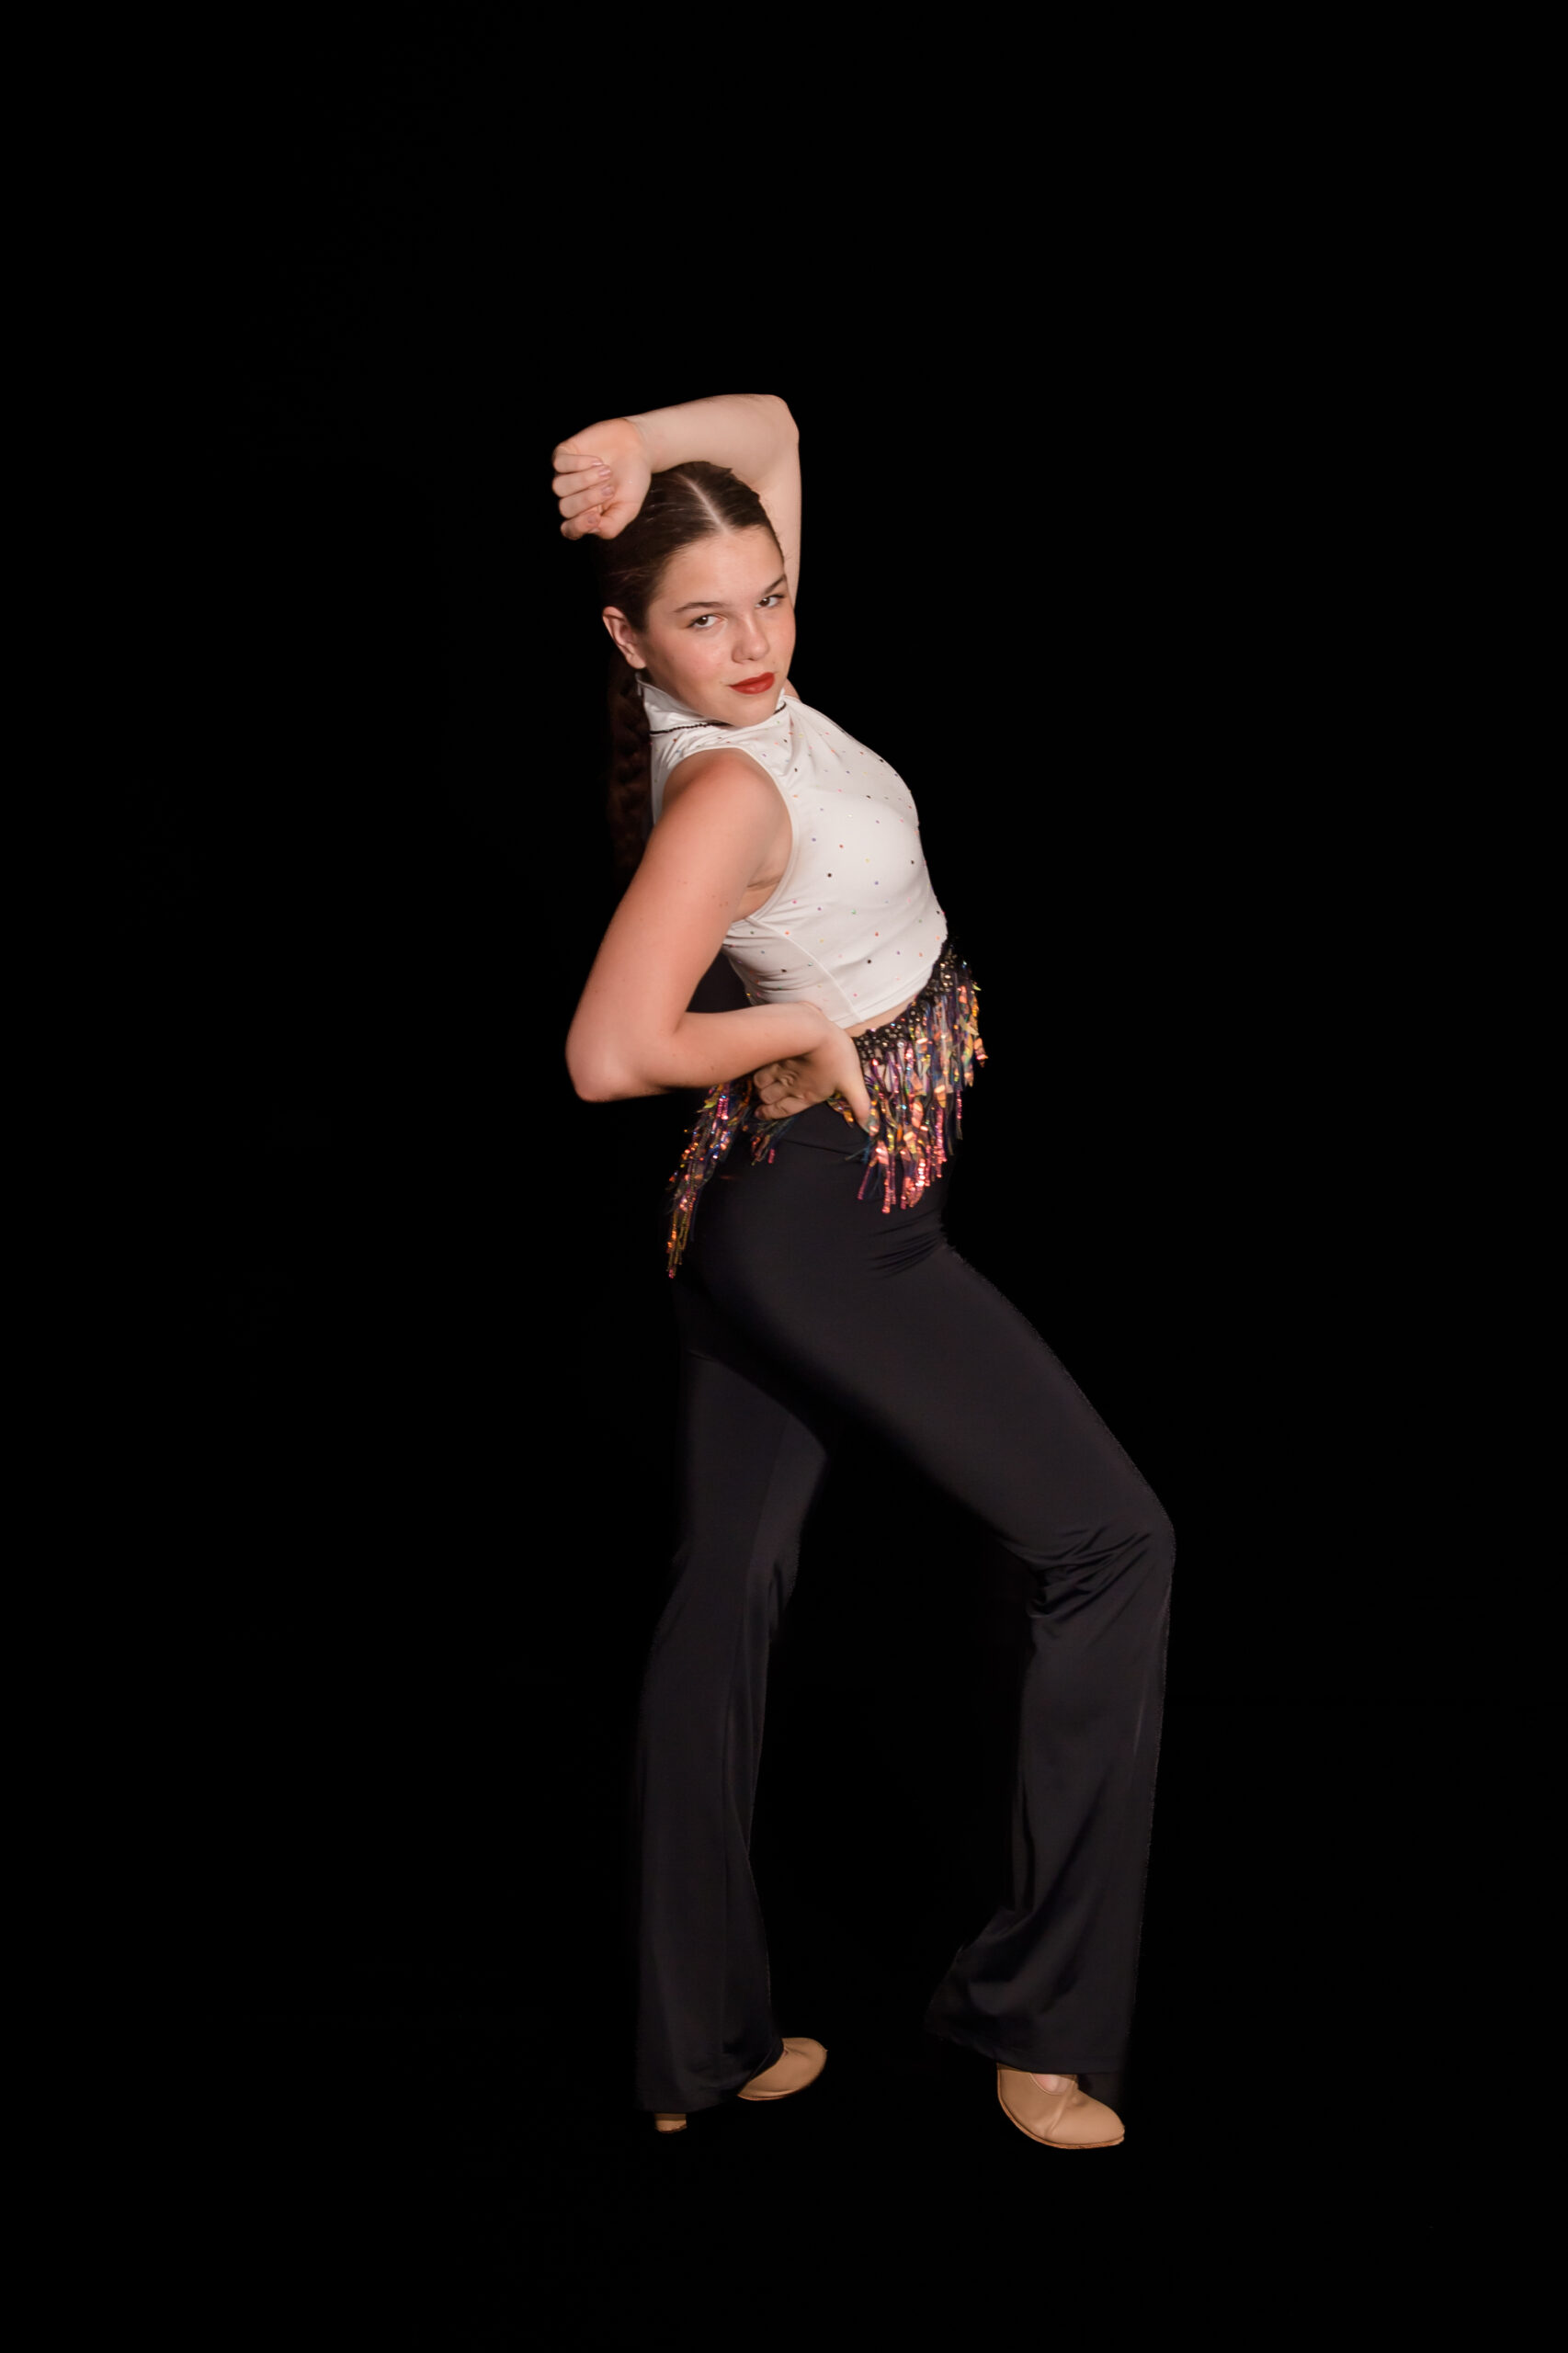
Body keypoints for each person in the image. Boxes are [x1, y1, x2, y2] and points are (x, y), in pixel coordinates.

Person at [554, 392, 1175, 2152]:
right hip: (830, 1227)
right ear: (629, 640)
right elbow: (607, 1052)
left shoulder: (735, 696)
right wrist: (803, 1025)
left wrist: (627, 444)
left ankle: (694, 2051)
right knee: (1115, 1543)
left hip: (780, 1206)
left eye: (767, 595)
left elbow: (769, 427)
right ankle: (1037, 2025)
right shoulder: (727, 785)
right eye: (704, 617)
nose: (755, 638)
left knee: (722, 1600)